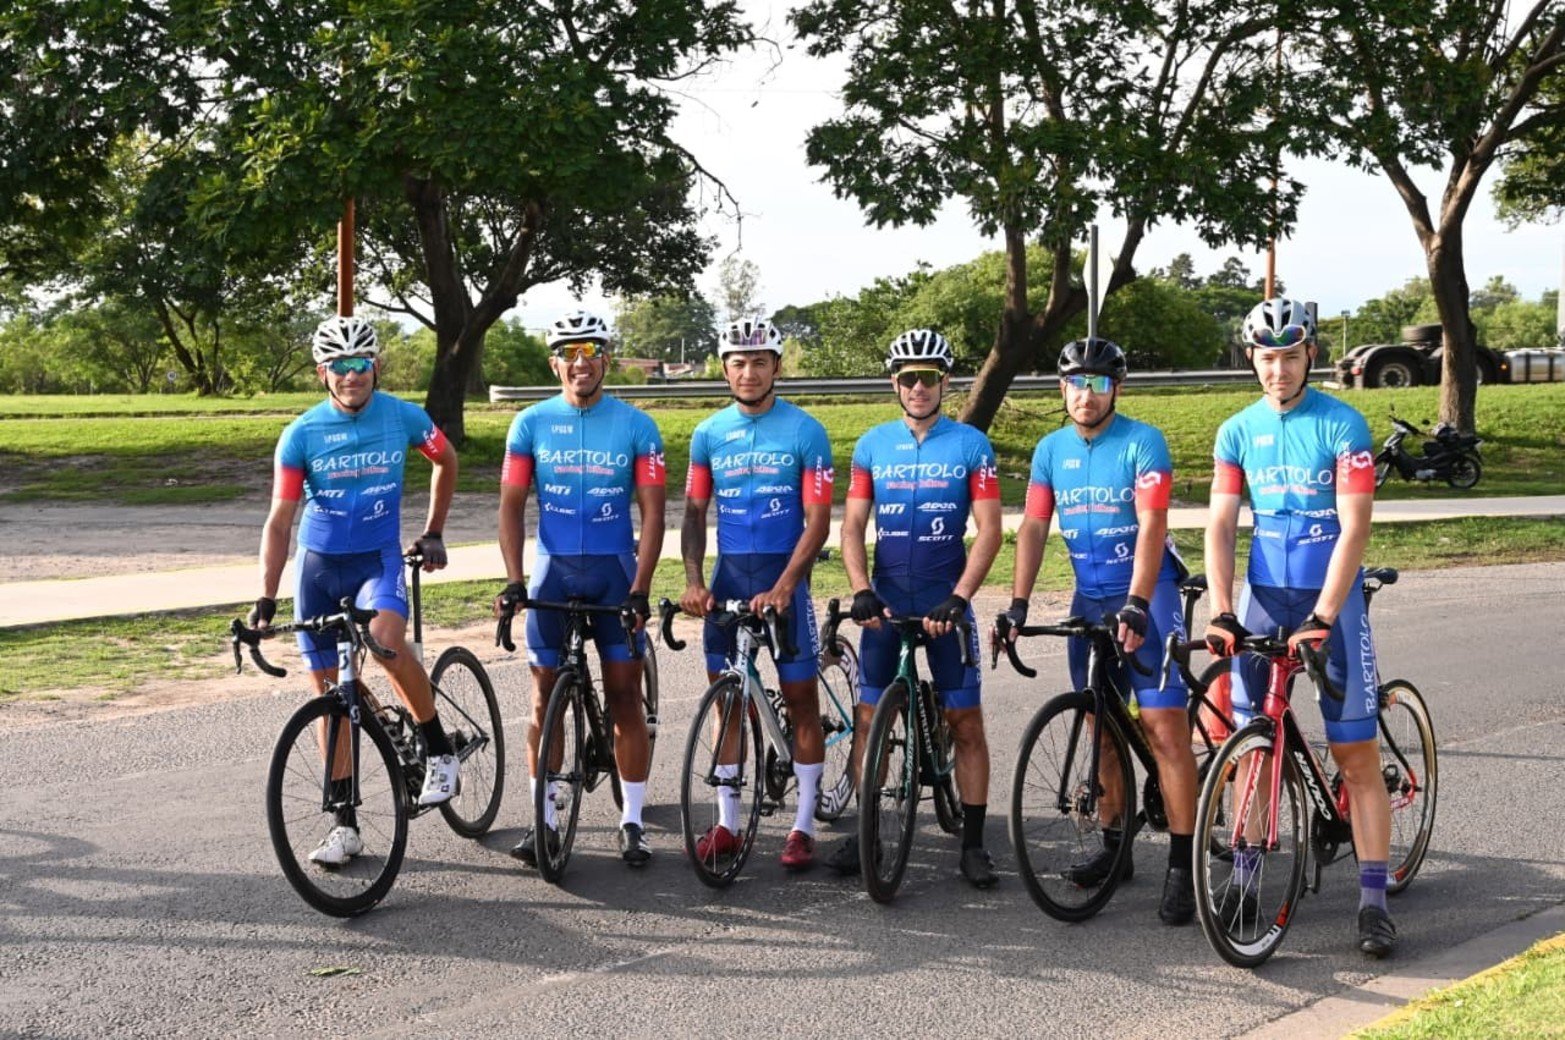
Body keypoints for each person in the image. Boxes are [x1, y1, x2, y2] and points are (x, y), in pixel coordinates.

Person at [1204, 297, 1394, 957]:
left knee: (1354, 755)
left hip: (1328, 605)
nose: (1278, 369)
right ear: (1251, 358)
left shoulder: (1342, 425)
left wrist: (1323, 615)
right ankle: (1246, 876)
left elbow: (1354, 527)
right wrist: (1221, 607)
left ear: (1309, 354)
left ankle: (1373, 902)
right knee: (1252, 746)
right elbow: (1221, 524)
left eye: (1289, 356)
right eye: (1267, 357)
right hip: (1263, 598)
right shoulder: (1236, 431)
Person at [253, 314, 461, 867]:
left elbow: (446, 460)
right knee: (331, 698)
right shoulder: (301, 434)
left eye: (361, 363)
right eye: (340, 365)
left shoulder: (403, 416)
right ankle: (344, 825)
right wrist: (266, 598)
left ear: (377, 366)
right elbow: (280, 520)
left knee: (386, 641)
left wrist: (434, 530)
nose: (352, 375)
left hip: (377, 560)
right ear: (323, 373)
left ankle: (439, 748)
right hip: (318, 569)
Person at [1003, 336, 1197, 924]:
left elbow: (1152, 524)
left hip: (1149, 593)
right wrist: (1017, 604)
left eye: (1099, 383)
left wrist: (1138, 602)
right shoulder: (1050, 450)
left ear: (1117, 389)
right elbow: (1034, 527)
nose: (1086, 395)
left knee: (1164, 731)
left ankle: (1183, 867)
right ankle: (1116, 849)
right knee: (1100, 726)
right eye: (1076, 383)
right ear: (1062, 389)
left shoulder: (1143, 442)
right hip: (1090, 597)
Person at [830, 329, 1003, 888]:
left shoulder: (971, 445)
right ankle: (867, 832)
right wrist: (861, 589)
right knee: (868, 719)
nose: (919, 387)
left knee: (965, 722)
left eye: (928, 377)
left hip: (944, 605)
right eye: (909, 378)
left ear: (944, 382)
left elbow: (990, 530)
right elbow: (852, 526)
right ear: (895, 384)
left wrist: (961, 597)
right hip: (886, 606)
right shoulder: (872, 445)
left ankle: (973, 844)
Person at [495, 309, 666, 868]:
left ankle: (632, 821)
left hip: (614, 574)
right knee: (542, 700)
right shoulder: (530, 424)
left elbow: (654, 512)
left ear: (605, 359)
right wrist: (514, 581)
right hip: (554, 571)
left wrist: (640, 586)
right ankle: (542, 818)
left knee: (624, 698)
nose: (580, 362)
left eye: (590, 351)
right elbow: (511, 507)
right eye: (569, 353)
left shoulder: (637, 426)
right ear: (554, 364)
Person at [680, 317, 833, 871]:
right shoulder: (708, 434)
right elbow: (694, 513)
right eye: (739, 363)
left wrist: (787, 584)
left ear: (776, 367)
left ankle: (803, 825)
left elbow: (819, 521)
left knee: (801, 700)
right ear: (725, 370)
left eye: (760, 362)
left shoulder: (805, 431)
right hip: (730, 580)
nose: (749, 372)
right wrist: (695, 581)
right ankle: (727, 823)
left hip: (785, 583)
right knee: (726, 704)